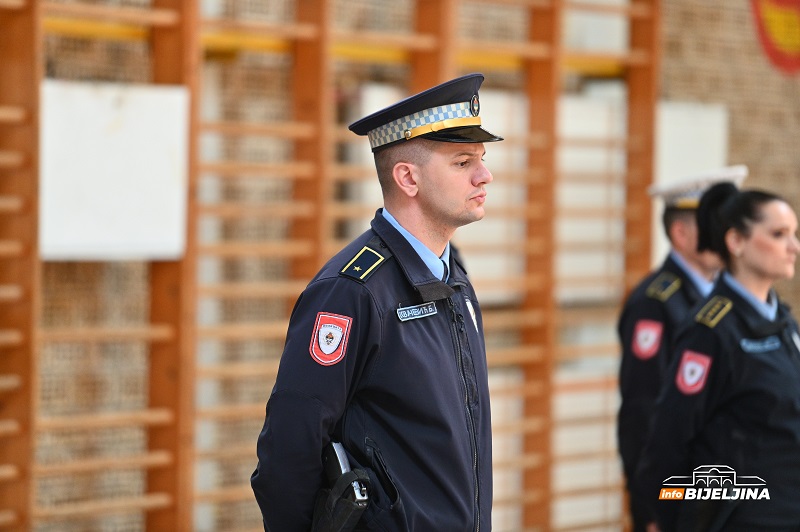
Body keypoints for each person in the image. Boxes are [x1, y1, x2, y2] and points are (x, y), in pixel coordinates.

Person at [250, 73, 502, 531]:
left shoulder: (456, 282)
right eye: (463, 162)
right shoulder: (352, 292)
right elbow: (288, 450)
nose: (485, 175)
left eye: (481, 160)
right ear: (408, 177)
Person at [636, 183, 800, 531]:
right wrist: (664, 520)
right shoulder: (710, 331)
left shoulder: (783, 321)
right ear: (736, 241)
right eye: (779, 234)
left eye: (795, 234)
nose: (794, 247)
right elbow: (670, 438)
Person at [616, 166, 747, 532]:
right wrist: (652, 511)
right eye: (717, 224)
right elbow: (643, 414)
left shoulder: (725, 296)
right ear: (681, 232)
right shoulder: (655, 304)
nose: (730, 236)